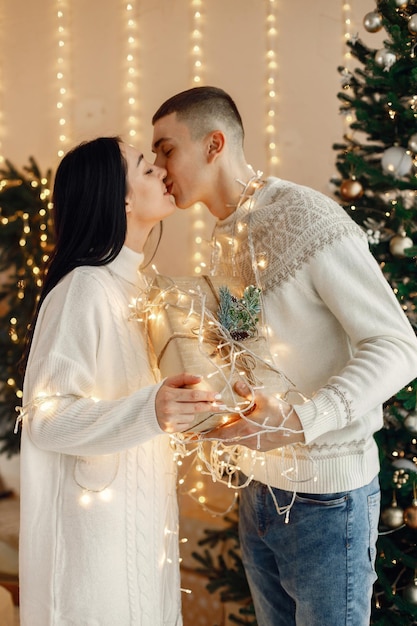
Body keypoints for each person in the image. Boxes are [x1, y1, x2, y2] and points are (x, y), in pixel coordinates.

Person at [151, 87, 417, 626]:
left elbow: (397, 345)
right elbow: (254, 350)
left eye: (165, 149)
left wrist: (301, 421)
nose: (158, 167)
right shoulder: (227, 236)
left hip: (327, 500)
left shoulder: (306, 216)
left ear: (214, 144)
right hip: (261, 494)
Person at [18, 136, 220, 626]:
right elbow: (45, 417)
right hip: (94, 550)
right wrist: (149, 410)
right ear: (121, 197)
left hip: (144, 530)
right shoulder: (84, 288)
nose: (162, 172)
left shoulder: (145, 288)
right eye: (146, 168)